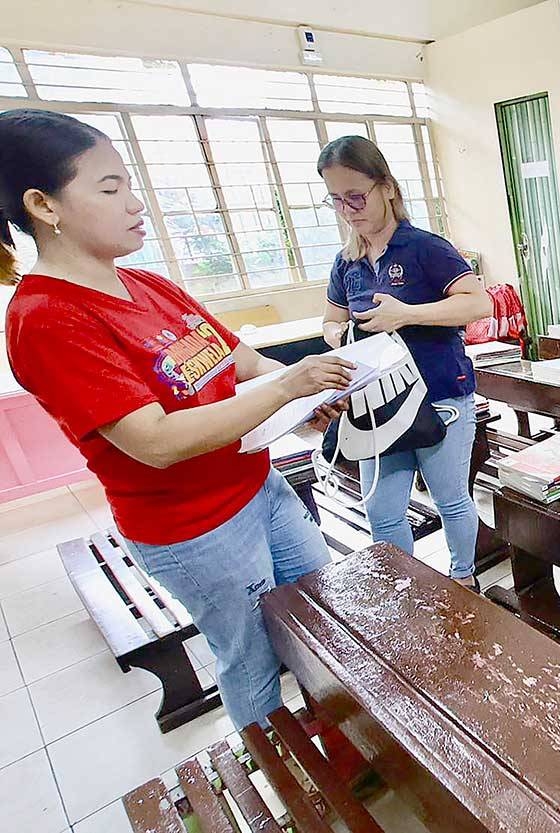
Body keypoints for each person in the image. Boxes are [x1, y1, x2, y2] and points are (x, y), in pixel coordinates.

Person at [0, 109, 355, 730]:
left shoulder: (148, 285)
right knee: (250, 662)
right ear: (43, 205)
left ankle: (345, 740)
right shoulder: (48, 318)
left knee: (323, 622)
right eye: (110, 188)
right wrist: (291, 384)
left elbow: (239, 359)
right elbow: (155, 442)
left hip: (260, 490)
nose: (136, 203)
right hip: (195, 530)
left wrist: (305, 397)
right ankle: (289, 784)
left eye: (130, 183)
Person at [318, 136, 490, 588]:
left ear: (387, 187)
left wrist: (407, 315)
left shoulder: (425, 248)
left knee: (451, 499)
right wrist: (339, 335)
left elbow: (478, 304)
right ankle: (408, 588)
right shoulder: (347, 262)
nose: (348, 209)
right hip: (379, 406)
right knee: (382, 508)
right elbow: (331, 320)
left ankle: (464, 579)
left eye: (356, 196)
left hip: (441, 396)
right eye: (336, 200)